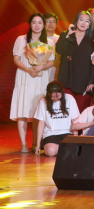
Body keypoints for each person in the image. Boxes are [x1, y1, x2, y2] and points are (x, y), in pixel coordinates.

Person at [11, 13, 55, 153]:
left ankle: (36, 142)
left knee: (38, 112)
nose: (37, 25)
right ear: (30, 24)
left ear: (44, 25)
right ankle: (24, 144)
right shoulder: (21, 39)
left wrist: (41, 67)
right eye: (34, 22)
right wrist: (28, 69)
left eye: (40, 23)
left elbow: (51, 62)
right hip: (25, 77)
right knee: (22, 111)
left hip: (40, 79)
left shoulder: (49, 42)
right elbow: (16, 59)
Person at [56, 11, 94, 112]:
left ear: (90, 24)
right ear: (76, 21)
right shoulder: (66, 34)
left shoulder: (92, 41)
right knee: (64, 110)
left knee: (80, 111)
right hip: (66, 78)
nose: (83, 23)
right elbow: (59, 50)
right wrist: (67, 35)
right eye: (81, 20)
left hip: (83, 81)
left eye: (87, 21)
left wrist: (91, 81)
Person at [34, 81, 80, 157]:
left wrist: (75, 140)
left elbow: (75, 121)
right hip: (51, 134)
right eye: (52, 97)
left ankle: (63, 150)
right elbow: (41, 123)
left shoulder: (70, 98)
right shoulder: (43, 102)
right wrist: (38, 144)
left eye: (58, 96)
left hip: (67, 132)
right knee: (51, 151)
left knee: (70, 150)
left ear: (62, 91)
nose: (55, 99)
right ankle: (63, 150)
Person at [44, 13, 60, 80]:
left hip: (53, 70)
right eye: (48, 21)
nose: (51, 24)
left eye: (53, 22)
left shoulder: (59, 39)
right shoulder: (38, 38)